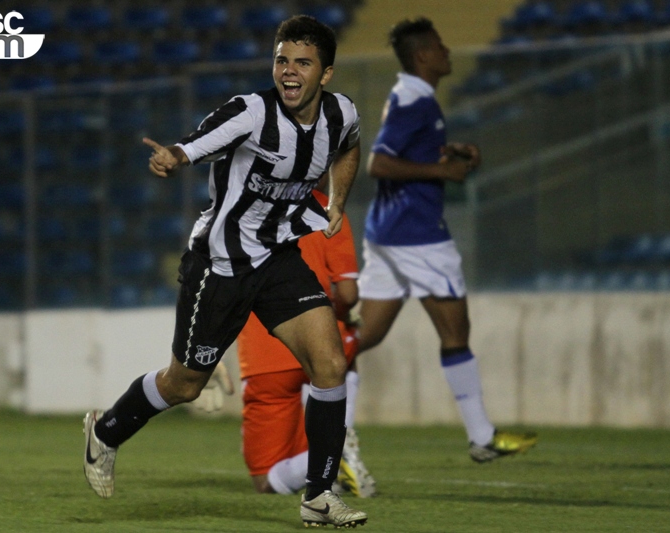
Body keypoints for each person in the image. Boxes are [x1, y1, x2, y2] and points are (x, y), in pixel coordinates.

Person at [82, 15, 368, 529]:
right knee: (185, 383)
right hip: (220, 265)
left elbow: (349, 146)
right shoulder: (252, 112)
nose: (289, 71)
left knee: (329, 364)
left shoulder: (340, 113)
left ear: (326, 73)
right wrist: (174, 156)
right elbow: (197, 142)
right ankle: (106, 432)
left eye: (303, 62)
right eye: (282, 60)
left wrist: (338, 202)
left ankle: (319, 496)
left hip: (279, 258)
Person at [356, 17, 537, 463]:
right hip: (418, 238)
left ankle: (315, 413)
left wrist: (449, 151)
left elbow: (402, 154)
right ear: (423, 57)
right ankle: (482, 437)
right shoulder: (414, 102)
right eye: (440, 47)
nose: (448, 53)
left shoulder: (413, 97)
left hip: (387, 234)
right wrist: (440, 171)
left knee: (360, 337)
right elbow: (378, 163)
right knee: (456, 333)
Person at [235, 186, 376, 498]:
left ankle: (333, 458)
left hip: (267, 355)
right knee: (348, 341)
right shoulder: (326, 206)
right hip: (321, 346)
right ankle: (337, 444)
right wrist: (340, 316)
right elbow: (348, 294)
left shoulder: (242, 206)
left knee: (266, 480)